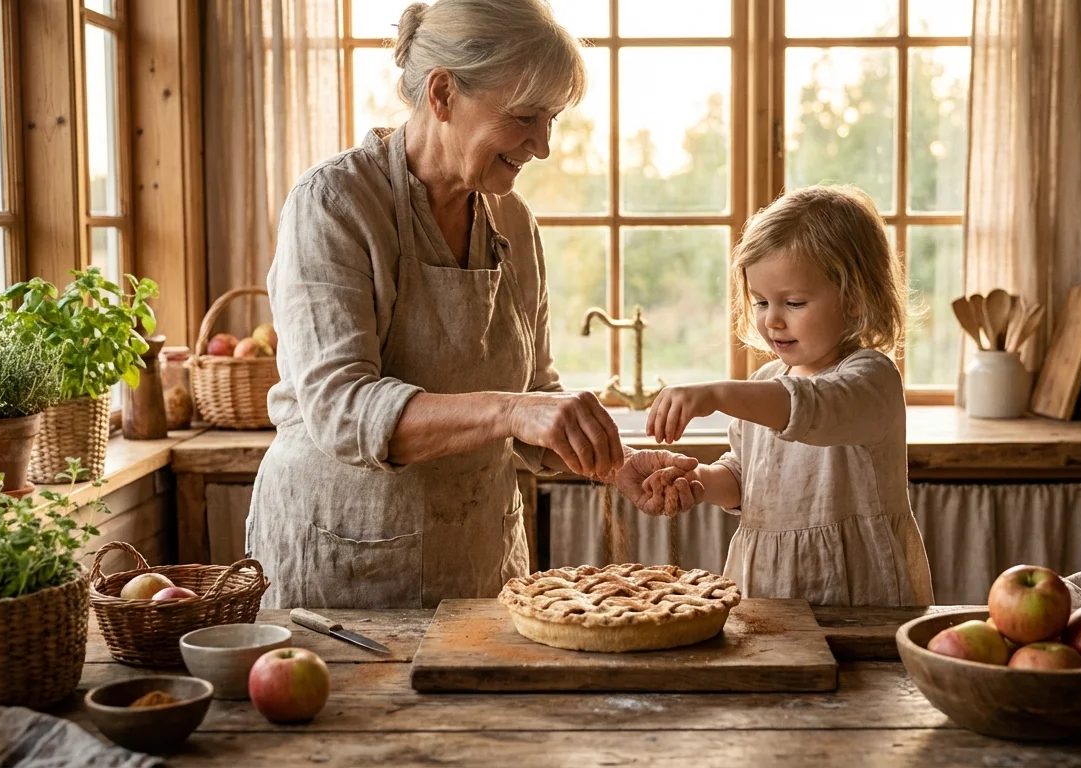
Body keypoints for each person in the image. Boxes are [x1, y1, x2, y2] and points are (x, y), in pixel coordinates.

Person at [246, 0, 696, 609]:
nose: (542, 145)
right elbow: (340, 408)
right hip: (341, 573)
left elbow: (534, 389)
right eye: (525, 117)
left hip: (480, 567)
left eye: (552, 119)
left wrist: (613, 463)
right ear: (442, 94)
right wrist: (512, 411)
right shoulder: (333, 204)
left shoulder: (512, 219)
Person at [638, 185, 935, 606]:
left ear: (854, 299)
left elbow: (812, 406)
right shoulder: (766, 380)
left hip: (855, 593)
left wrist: (718, 393)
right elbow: (744, 479)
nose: (772, 320)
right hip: (767, 587)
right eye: (760, 302)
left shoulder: (872, 379)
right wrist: (700, 482)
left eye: (793, 303)